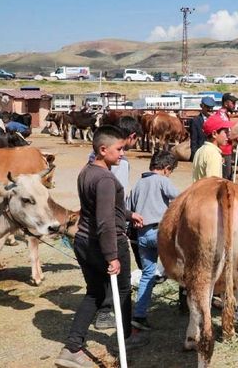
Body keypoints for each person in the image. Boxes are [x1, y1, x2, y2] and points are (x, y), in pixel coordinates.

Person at [55, 126, 147, 368]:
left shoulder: (87, 171)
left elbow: (97, 208)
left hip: (83, 240)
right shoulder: (106, 178)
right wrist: (112, 256)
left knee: (94, 293)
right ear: (103, 149)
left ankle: (72, 347)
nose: (123, 154)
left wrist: (127, 214)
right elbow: (105, 221)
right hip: (107, 242)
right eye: (119, 149)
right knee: (124, 290)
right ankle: (126, 337)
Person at [90, 116, 143, 331]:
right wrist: (129, 215)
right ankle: (113, 317)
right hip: (112, 224)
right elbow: (114, 198)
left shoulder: (93, 158)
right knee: (117, 273)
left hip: (96, 222)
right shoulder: (118, 162)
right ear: (131, 137)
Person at [127, 151, 180, 330]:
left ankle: (139, 315)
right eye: (170, 171)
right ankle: (186, 301)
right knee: (184, 260)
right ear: (166, 169)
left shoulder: (138, 184)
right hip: (160, 233)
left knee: (147, 274)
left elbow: (129, 210)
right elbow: (180, 200)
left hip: (142, 235)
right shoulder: (162, 181)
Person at [192, 116, 237, 182]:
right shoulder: (213, 154)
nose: (228, 136)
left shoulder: (200, 150)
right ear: (214, 134)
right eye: (225, 132)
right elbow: (213, 184)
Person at [209, 93, 238, 180]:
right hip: (224, 150)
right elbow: (224, 135)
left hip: (225, 150)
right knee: (225, 177)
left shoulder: (223, 114)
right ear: (226, 103)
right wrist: (235, 138)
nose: (234, 105)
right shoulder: (223, 116)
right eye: (232, 103)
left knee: (226, 175)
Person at [189, 96, 215, 162]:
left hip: (212, 153)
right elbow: (194, 140)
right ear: (201, 106)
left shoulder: (215, 120)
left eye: (211, 107)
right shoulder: (195, 121)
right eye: (208, 107)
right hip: (201, 153)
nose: (210, 110)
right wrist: (194, 156)